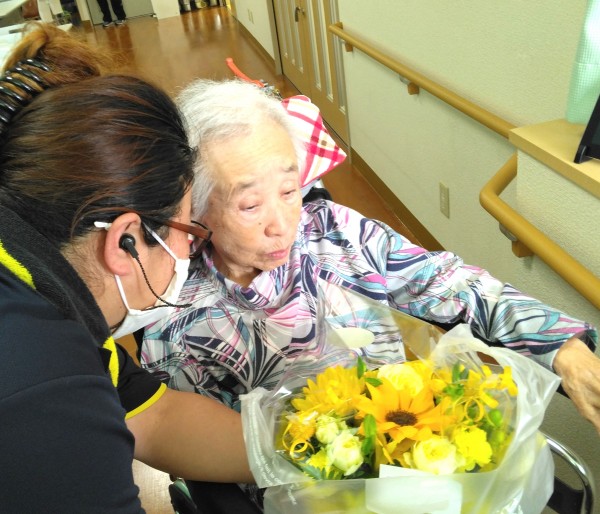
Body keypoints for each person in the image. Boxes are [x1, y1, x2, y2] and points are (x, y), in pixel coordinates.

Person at [140, 79, 600, 437]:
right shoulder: (177, 316)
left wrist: (562, 346)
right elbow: (200, 442)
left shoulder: (337, 234)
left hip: (409, 438)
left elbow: (449, 282)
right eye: (250, 205)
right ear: (197, 208)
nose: (282, 224)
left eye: (289, 190)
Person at [0, 24, 252, 512]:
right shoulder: (44, 395)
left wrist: (304, 449)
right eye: (186, 230)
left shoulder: (43, 286)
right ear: (126, 241)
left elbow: (153, 417)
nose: (189, 251)